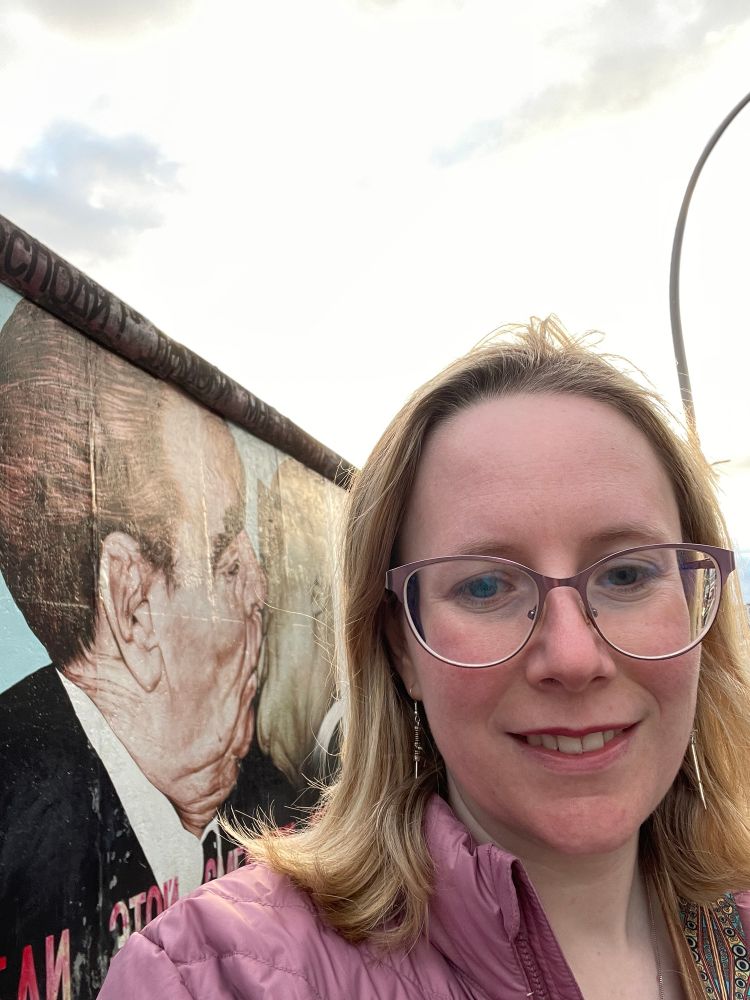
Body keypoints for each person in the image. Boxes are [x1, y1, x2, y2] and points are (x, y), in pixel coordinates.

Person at [100, 318, 750, 1000]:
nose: (573, 655)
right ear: (400, 647)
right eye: (485, 585)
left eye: (626, 576)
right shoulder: (212, 980)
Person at [0, 300, 298, 998]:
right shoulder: (20, 845)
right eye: (227, 556)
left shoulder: (274, 800)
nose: (261, 590)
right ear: (131, 602)